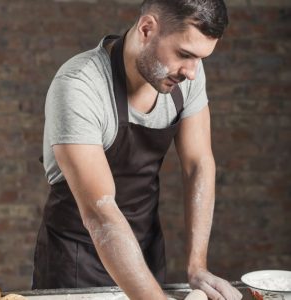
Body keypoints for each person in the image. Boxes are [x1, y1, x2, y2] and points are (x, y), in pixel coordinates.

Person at [32, 0, 243, 299]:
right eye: (184, 54)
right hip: (76, 264)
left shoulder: (187, 75)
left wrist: (197, 266)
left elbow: (198, 164)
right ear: (146, 29)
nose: (193, 72)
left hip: (144, 255)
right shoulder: (79, 87)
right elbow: (99, 212)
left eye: (200, 58)